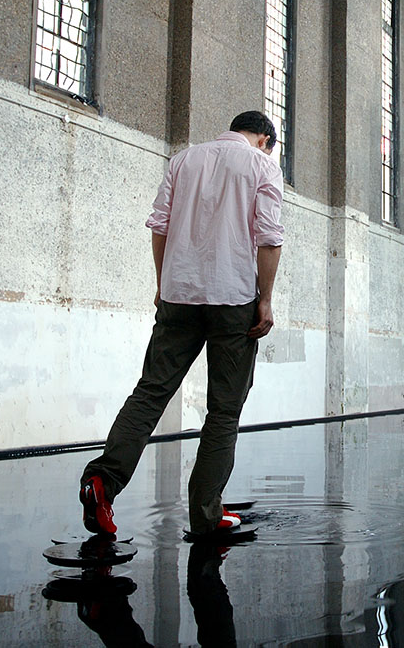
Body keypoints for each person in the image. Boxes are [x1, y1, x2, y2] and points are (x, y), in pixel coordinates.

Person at [79, 111, 284, 536]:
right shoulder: (262, 164)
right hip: (233, 298)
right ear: (265, 138)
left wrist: (162, 283)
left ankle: (103, 479)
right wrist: (265, 299)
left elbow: (159, 226)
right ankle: (206, 516)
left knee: (151, 392)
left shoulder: (183, 160)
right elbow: (268, 237)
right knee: (224, 411)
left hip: (178, 294)